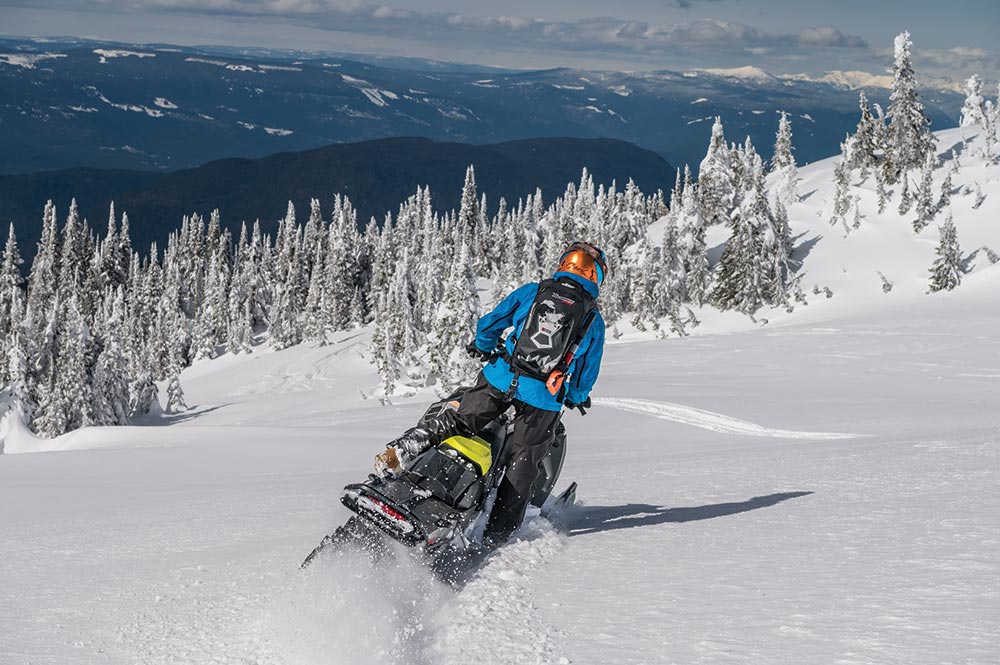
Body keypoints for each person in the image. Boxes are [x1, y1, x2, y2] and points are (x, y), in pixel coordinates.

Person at [387, 241, 608, 546]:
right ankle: (497, 535)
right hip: (542, 399)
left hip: (499, 379)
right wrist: (572, 393)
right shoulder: (593, 320)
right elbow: (586, 376)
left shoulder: (534, 290)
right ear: (595, 276)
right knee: (524, 463)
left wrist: (483, 345)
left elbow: (491, 322)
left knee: (460, 420)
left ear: (563, 265)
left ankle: (411, 444)